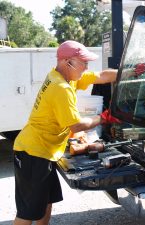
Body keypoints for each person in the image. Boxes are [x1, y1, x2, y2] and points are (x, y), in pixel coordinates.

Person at [12, 40, 117, 225]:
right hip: (32, 153)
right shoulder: (60, 87)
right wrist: (104, 117)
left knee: (46, 202)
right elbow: (76, 126)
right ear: (67, 61)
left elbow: (101, 76)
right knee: (28, 212)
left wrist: (128, 73)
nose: (86, 67)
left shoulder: (65, 77)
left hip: (45, 152)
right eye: (83, 62)